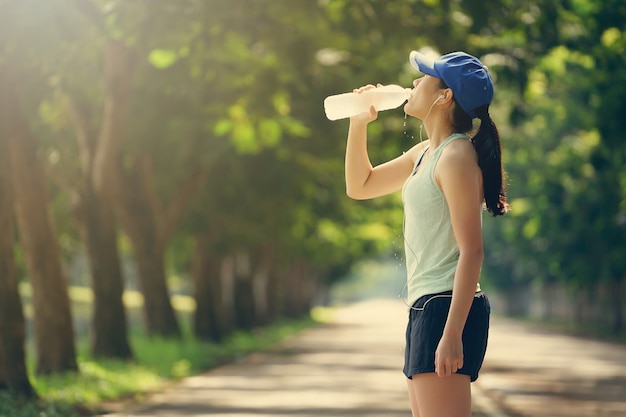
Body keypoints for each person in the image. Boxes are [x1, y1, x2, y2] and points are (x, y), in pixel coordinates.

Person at [344, 50, 508, 417]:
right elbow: (360, 185)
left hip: (447, 307)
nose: (414, 82)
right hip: (425, 306)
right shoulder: (425, 153)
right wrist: (358, 123)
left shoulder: (455, 156)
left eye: (424, 77)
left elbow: (472, 252)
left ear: (444, 96)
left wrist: (452, 334)